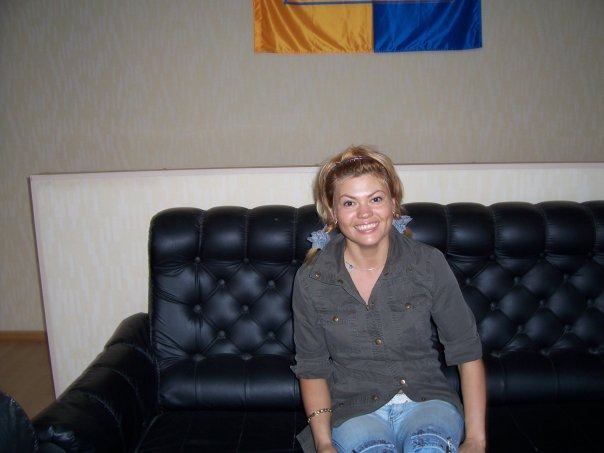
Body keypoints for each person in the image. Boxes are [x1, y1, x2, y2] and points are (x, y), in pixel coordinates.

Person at [291, 145, 486, 453]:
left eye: (376, 199)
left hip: (427, 402)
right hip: (354, 412)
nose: (364, 213)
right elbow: (312, 369)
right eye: (349, 202)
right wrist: (324, 444)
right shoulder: (311, 279)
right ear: (333, 211)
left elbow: (467, 350)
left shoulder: (428, 264)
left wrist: (476, 440)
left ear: (393, 203)